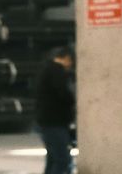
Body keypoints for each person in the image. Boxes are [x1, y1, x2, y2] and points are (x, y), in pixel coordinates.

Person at [34, 44, 75, 174]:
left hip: (46, 121)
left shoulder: (46, 69)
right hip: (55, 122)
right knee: (63, 160)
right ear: (67, 58)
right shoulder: (57, 72)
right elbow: (64, 94)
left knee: (52, 159)